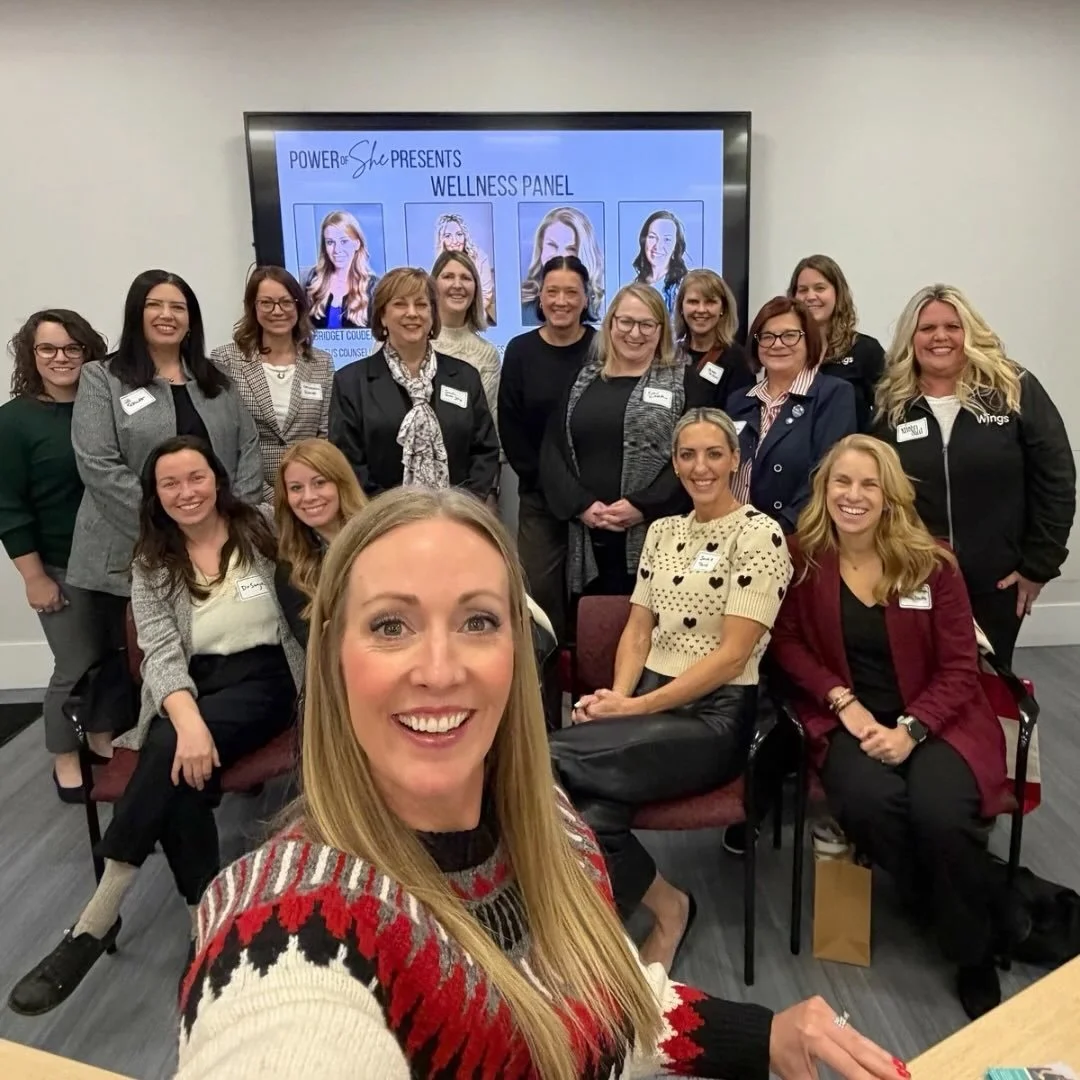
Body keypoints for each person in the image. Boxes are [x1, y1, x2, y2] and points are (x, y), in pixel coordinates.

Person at [173, 486, 900, 1080]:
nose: (439, 670)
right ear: (331, 654)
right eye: (391, 626)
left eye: (478, 621)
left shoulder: (553, 826)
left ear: (519, 651)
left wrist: (762, 1034)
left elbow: (590, 1003)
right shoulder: (289, 926)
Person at [8, 436, 304, 1017]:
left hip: (266, 677)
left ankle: (95, 920)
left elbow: (321, 557)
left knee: (165, 749)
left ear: (216, 479)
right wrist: (189, 720)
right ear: (155, 495)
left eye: (196, 477)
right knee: (176, 764)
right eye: (170, 483)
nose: (185, 492)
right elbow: (162, 653)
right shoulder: (152, 561)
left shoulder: (264, 527)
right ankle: (204, 918)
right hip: (190, 681)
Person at [770, 435, 1013, 1019]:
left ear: (890, 495)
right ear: (824, 489)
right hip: (848, 719)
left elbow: (960, 667)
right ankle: (966, 903)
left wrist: (912, 729)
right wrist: (843, 703)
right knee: (868, 802)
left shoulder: (932, 562)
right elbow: (787, 643)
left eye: (868, 484)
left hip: (939, 718)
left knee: (941, 812)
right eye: (842, 482)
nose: (853, 496)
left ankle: (972, 951)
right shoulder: (803, 558)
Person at [550, 408, 793, 969]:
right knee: (587, 808)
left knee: (542, 761)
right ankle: (667, 907)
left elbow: (732, 656)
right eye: (688, 455)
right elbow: (639, 628)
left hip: (713, 718)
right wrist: (618, 698)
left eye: (714, 454)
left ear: (735, 460)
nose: (700, 467)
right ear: (675, 464)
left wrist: (633, 707)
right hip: (648, 705)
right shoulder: (662, 531)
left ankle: (591, 922)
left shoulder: (760, 533)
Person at [66, 270, 263, 761]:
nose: (167, 315)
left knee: (208, 650)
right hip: (125, 546)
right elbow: (97, 464)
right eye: (155, 305)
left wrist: (229, 525)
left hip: (215, 545)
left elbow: (247, 450)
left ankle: (208, 750)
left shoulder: (216, 381)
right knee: (129, 667)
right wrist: (168, 523)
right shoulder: (103, 378)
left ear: (191, 320)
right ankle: (137, 767)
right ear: (137, 313)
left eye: (178, 307)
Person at [871, 284, 1075, 667]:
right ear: (911, 338)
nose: (940, 337)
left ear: (970, 332)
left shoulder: (1014, 388)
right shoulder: (890, 403)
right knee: (921, 682)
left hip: (997, 582)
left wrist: (1039, 566)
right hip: (916, 577)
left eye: (952, 326)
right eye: (927, 328)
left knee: (988, 685)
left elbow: (1056, 480)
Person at [0, 310, 116, 799]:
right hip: (59, 563)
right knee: (75, 663)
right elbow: (8, 506)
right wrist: (34, 577)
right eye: (48, 348)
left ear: (89, 352)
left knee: (111, 659)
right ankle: (65, 755)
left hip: (116, 560)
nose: (61, 358)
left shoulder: (105, 407)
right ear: (31, 355)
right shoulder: (14, 421)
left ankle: (101, 737)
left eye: (72, 348)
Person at [541, 284, 704, 601]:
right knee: (592, 624)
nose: (635, 333)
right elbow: (553, 452)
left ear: (661, 330)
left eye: (646, 324)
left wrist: (643, 505)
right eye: (626, 321)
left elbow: (695, 458)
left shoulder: (685, 382)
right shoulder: (582, 379)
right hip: (588, 536)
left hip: (658, 537)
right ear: (611, 323)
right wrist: (582, 505)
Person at [328, 267, 499, 499]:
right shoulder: (350, 382)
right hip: (381, 514)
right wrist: (393, 511)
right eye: (400, 304)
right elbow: (347, 462)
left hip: (457, 513)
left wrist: (463, 506)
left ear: (433, 315)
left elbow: (484, 451)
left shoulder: (465, 377)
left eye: (421, 305)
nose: (412, 313)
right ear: (382, 316)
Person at [498, 255, 596, 642]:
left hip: (598, 502)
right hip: (541, 500)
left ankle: (595, 683)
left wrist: (586, 499)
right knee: (539, 604)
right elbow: (512, 430)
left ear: (586, 298)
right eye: (552, 291)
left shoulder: (602, 348)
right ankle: (544, 683)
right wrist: (560, 493)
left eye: (571, 292)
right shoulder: (520, 350)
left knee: (593, 605)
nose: (561, 301)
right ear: (540, 297)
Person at [726, 296, 857, 534]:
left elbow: (826, 474)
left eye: (790, 335)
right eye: (767, 336)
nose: (777, 344)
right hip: (732, 533)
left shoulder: (833, 394)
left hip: (793, 536)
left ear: (809, 341)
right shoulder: (738, 401)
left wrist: (778, 530)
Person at [211, 266, 334, 501]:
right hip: (248, 494)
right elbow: (224, 437)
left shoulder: (322, 363)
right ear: (253, 307)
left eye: (286, 302)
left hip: (309, 493)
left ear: (299, 306)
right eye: (266, 303)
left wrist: (304, 489)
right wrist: (272, 496)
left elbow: (324, 434)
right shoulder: (225, 360)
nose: (277, 311)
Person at [274, 438, 366, 649]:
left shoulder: (383, 536)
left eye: (319, 483)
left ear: (341, 483)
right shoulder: (291, 569)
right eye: (296, 488)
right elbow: (315, 646)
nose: (308, 497)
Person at [788, 255, 885, 431]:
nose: (810, 296)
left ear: (838, 293)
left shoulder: (865, 349)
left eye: (820, 288)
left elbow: (889, 410)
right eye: (802, 290)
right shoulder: (785, 351)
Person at [430, 249, 501, 435]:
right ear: (433, 285)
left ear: (476, 288)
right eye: (448, 277)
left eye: (466, 278)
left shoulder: (487, 355)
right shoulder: (408, 342)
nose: (457, 285)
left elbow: (487, 428)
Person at [675, 268, 754, 408]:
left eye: (710, 302)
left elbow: (741, 415)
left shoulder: (738, 360)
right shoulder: (670, 355)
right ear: (681, 307)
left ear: (723, 308)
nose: (701, 310)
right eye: (693, 302)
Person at [520, 206, 605, 324]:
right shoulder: (522, 305)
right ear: (540, 247)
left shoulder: (603, 306)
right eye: (552, 245)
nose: (560, 255)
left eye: (571, 249)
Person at [305, 210, 378, 329]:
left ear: (357, 244)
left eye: (344, 241)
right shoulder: (313, 281)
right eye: (330, 242)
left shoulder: (373, 286)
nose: (337, 250)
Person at [433, 211, 496, 325]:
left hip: (475, 316)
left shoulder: (480, 257)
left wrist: (466, 317)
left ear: (465, 236)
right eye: (448, 236)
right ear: (441, 239)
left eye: (459, 234)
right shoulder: (438, 263)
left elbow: (486, 295)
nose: (455, 241)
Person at [632, 209, 689, 313]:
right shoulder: (636, 285)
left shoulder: (685, 285)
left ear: (676, 246)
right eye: (652, 237)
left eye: (667, 239)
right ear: (644, 241)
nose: (658, 246)